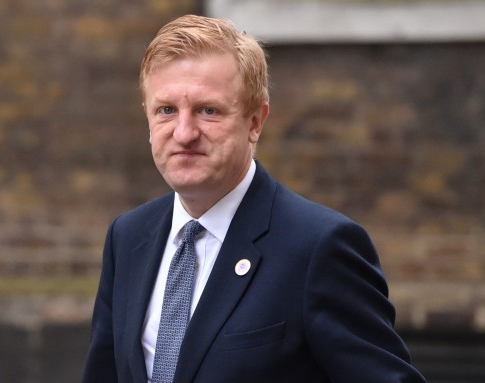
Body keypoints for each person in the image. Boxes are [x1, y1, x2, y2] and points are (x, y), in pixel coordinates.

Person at [82, 14, 426, 383]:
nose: (184, 133)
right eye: (166, 110)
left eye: (207, 110)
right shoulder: (129, 237)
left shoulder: (319, 248)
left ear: (255, 122)